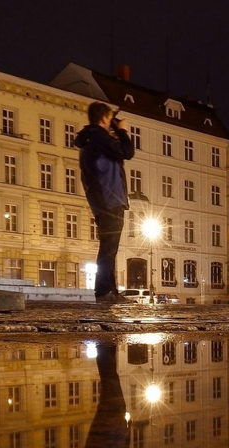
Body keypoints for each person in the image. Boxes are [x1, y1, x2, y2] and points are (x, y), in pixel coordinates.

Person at [75, 102, 135, 303]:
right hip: (110, 198)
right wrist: (124, 131)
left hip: (101, 198)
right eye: (110, 119)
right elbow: (127, 152)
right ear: (103, 118)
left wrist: (113, 134)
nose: (112, 123)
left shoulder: (91, 139)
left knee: (109, 247)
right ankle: (103, 291)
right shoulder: (99, 138)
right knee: (109, 248)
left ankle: (109, 291)